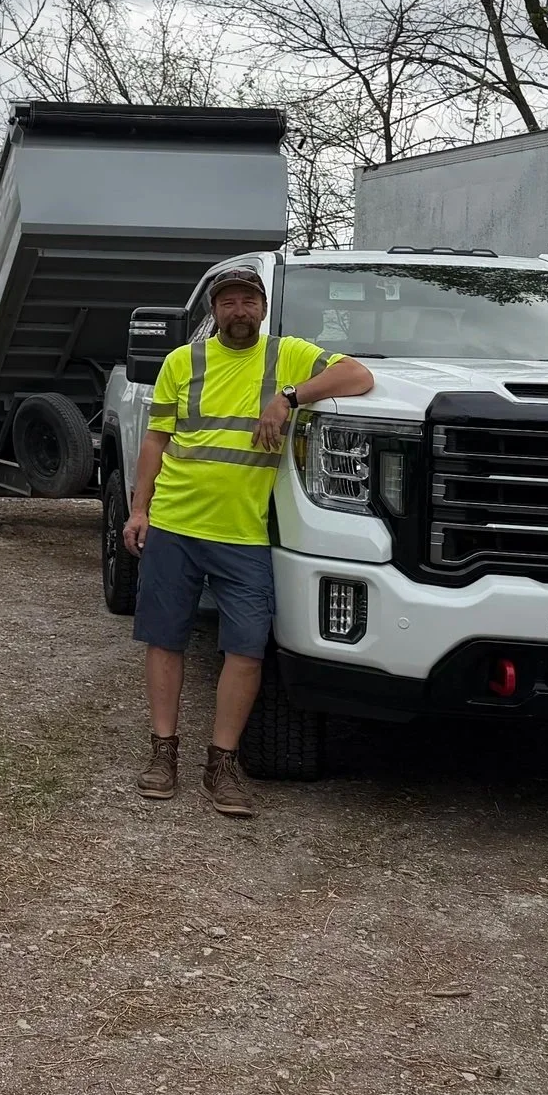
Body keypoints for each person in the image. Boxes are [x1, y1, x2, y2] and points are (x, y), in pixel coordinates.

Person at [121, 260, 374, 817]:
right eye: (228, 302)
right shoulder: (181, 362)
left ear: (263, 307)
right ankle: (163, 753)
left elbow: (359, 376)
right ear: (214, 311)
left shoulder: (288, 355)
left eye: (248, 301)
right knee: (165, 640)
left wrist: (289, 398)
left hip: (244, 534)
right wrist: (138, 509)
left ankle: (222, 762)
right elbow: (154, 442)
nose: (239, 310)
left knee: (246, 649)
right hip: (174, 524)